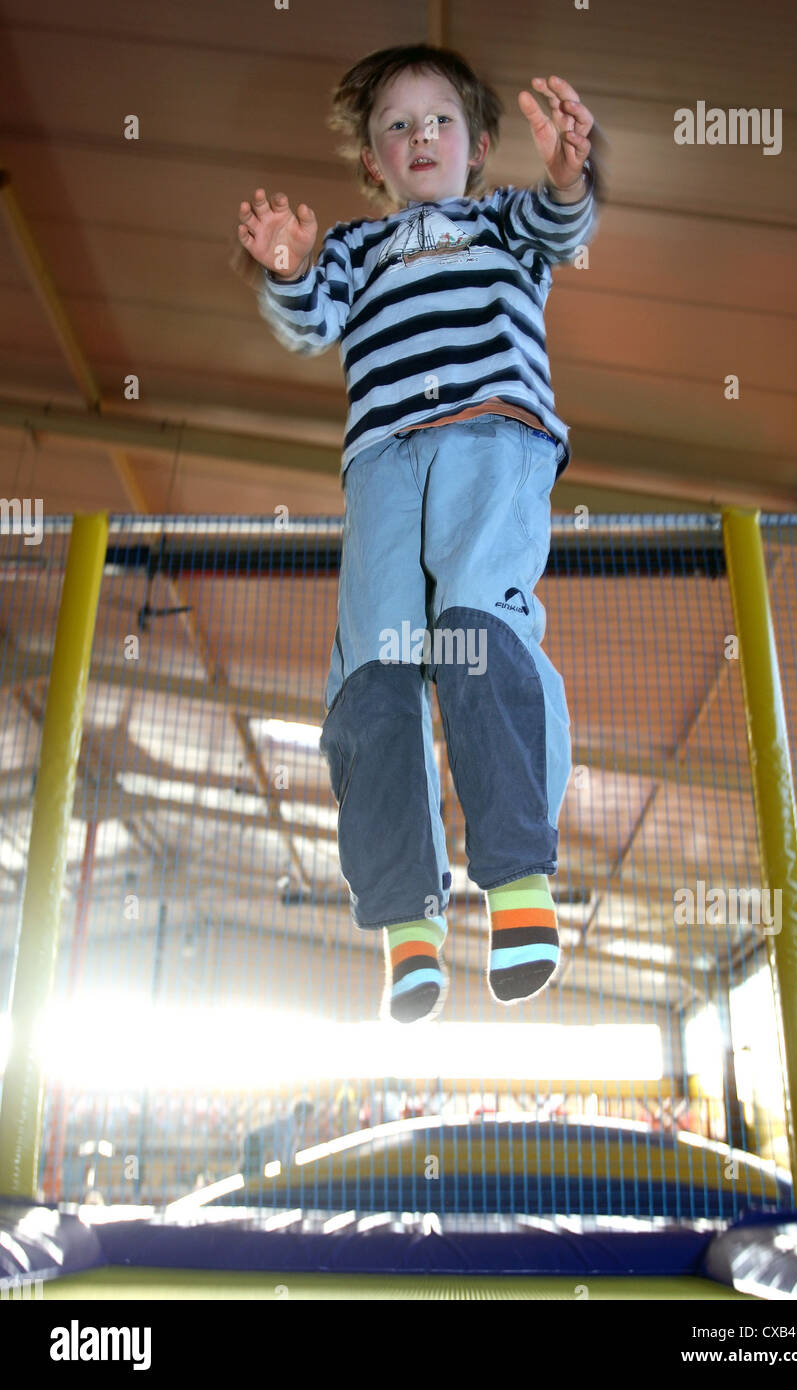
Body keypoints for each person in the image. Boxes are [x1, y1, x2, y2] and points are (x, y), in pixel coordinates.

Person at [235, 44, 600, 1025]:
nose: (418, 137)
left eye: (436, 120)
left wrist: (567, 168)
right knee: (374, 673)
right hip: (382, 465)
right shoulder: (357, 248)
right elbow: (310, 315)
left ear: (478, 144)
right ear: (373, 164)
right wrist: (284, 262)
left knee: (477, 629)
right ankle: (407, 918)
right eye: (395, 128)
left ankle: (517, 883)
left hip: (491, 434)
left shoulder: (500, 223)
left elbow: (562, 220)